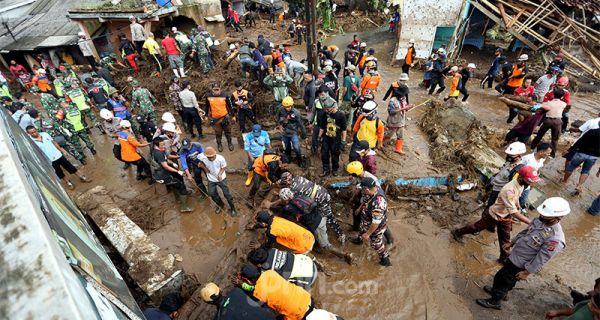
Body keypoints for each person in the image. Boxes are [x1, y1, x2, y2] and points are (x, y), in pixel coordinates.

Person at [475, 197, 570, 310]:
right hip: (515, 255)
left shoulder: (555, 239)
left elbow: (541, 259)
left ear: (558, 217)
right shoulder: (540, 220)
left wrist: (527, 272)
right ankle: (500, 292)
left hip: (520, 264)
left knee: (503, 279)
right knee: (506, 280)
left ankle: (495, 301)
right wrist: (512, 242)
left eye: (546, 215)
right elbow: (526, 232)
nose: (542, 216)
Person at [451, 166, 539, 263]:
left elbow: (517, 196)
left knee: (505, 238)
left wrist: (517, 204)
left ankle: (503, 258)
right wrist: (530, 222)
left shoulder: (522, 185)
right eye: (530, 180)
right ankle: (458, 232)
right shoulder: (509, 190)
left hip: (505, 216)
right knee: (476, 227)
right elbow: (514, 213)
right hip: (494, 215)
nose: (532, 183)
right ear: (521, 177)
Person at [236, 264, 314, 320]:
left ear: (248, 281)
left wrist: (241, 285)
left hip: (299, 314)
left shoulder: (259, 292)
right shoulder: (270, 272)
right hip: (306, 298)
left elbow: (253, 295)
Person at [350, 177, 391, 266]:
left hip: (376, 226)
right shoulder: (373, 189)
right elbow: (365, 199)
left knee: (376, 243)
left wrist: (368, 234)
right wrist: (359, 208)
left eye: (363, 189)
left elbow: (375, 223)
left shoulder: (378, 203)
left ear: (367, 189)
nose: (362, 191)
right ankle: (359, 240)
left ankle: (385, 259)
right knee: (361, 230)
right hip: (366, 220)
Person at [150, 136, 192, 212]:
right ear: (156, 145)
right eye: (162, 145)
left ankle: (178, 199)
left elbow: (166, 158)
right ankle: (184, 207)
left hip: (161, 173)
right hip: (162, 176)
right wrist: (178, 171)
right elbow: (165, 166)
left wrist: (173, 163)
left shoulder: (158, 150)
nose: (163, 146)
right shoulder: (158, 153)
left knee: (175, 183)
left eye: (163, 144)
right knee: (181, 186)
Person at [247, 247, 317, 289]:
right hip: (309, 262)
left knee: (284, 287)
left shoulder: (268, 271)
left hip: (309, 277)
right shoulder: (272, 250)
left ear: (259, 265)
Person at [199, 283, 277, 320]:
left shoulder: (219, 318)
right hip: (271, 317)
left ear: (208, 302)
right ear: (220, 290)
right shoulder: (236, 291)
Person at [198, 147, 237, 216]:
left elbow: (224, 167)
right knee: (212, 193)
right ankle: (221, 205)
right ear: (205, 156)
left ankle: (233, 208)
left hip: (221, 178)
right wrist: (204, 167)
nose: (211, 158)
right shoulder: (202, 157)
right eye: (209, 157)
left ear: (215, 154)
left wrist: (220, 174)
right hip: (211, 179)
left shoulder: (220, 158)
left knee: (226, 194)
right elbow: (200, 162)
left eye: (212, 157)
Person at [486, 141, 527, 206]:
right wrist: (492, 182)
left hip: (500, 191)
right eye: (508, 154)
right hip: (494, 185)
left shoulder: (518, 169)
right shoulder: (508, 162)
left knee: (491, 206)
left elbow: (513, 186)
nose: (509, 156)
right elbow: (501, 173)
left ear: (520, 155)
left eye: (512, 155)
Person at [562, 127, 600, 194]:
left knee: (571, 167)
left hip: (581, 153)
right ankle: (579, 186)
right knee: (586, 171)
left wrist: (569, 150)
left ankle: (564, 181)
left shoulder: (592, 131)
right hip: (594, 156)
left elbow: (580, 141)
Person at [530, 88, 567, 157]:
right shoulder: (564, 104)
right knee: (555, 139)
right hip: (558, 121)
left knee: (539, 135)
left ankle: (532, 148)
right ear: (562, 97)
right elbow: (566, 109)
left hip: (547, 121)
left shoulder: (547, 103)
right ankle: (552, 155)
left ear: (553, 95)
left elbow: (537, 108)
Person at [518, 143, 552, 211]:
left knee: (523, 199)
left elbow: (537, 168)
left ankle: (522, 208)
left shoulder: (542, 159)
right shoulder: (527, 159)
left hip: (529, 183)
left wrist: (535, 176)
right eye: (548, 153)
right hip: (521, 181)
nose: (549, 155)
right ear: (541, 152)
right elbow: (518, 169)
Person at [386, 74, 414, 155]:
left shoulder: (404, 99)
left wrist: (408, 108)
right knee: (388, 135)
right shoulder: (392, 100)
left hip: (401, 121)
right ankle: (380, 143)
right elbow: (391, 112)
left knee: (400, 136)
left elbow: (405, 109)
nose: (406, 94)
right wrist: (403, 109)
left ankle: (398, 149)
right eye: (405, 93)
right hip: (393, 121)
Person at [319, 96, 346, 176]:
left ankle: (335, 169)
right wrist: (319, 137)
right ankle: (326, 170)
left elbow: (344, 129)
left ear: (333, 107)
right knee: (324, 154)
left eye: (328, 109)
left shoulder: (341, 115)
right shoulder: (325, 114)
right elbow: (322, 127)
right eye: (326, 109)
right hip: (326, 138)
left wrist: (343, 141)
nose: (327, 111)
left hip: (336, 140)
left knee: (335, 155)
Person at [205, 82, 234, 152]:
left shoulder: (225, 95)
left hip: (225, 117)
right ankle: (219, 144)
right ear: (212, 89)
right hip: (215, 119)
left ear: (220, 89)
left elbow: (230, 106)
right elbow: (207, 106)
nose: (216, 91)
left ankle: (230, 143)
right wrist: (206, 115)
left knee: (228, 131)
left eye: (218, 89)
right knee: (218, 133)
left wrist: (233, 116)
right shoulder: (208, 96)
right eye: (215, 89)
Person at [278, 96, 306, 165]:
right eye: (285, 107)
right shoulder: (281, 110)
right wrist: (280, 125)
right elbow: (277, 117)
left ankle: (300, 161)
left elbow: (301, 124)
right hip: (285, 132)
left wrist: (304, 135)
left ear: (292, 105)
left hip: (293, 133)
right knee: (287, 148)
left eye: (288, 107)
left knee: (296, 148)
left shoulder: (296, 113)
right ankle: (288, 159)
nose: (287, 108)